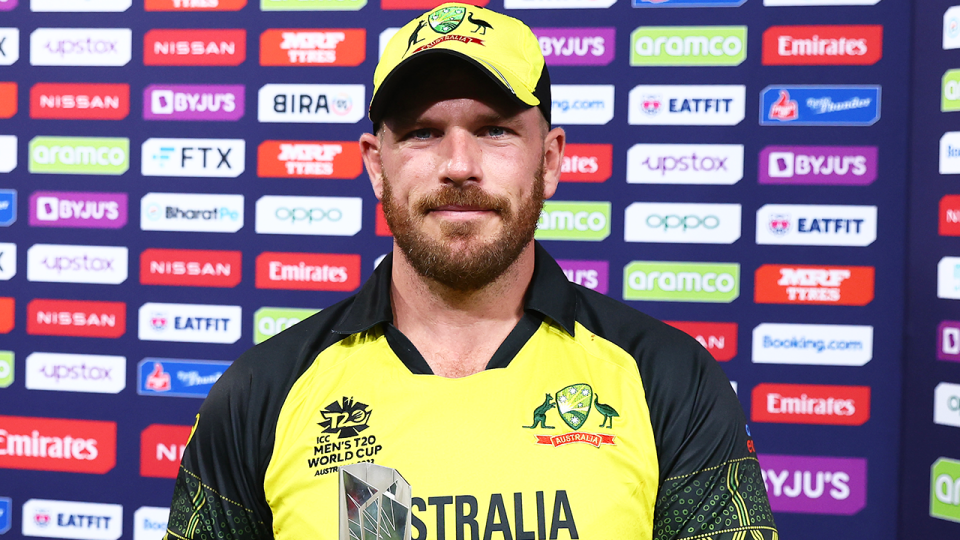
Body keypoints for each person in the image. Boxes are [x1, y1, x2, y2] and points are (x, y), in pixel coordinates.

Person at [164, 4, 778, 539]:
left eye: (494, 130)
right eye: (424, 133)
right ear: (377, 166)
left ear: (552, 159)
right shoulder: (260, 395)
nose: (459, 165)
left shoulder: (666, 379)